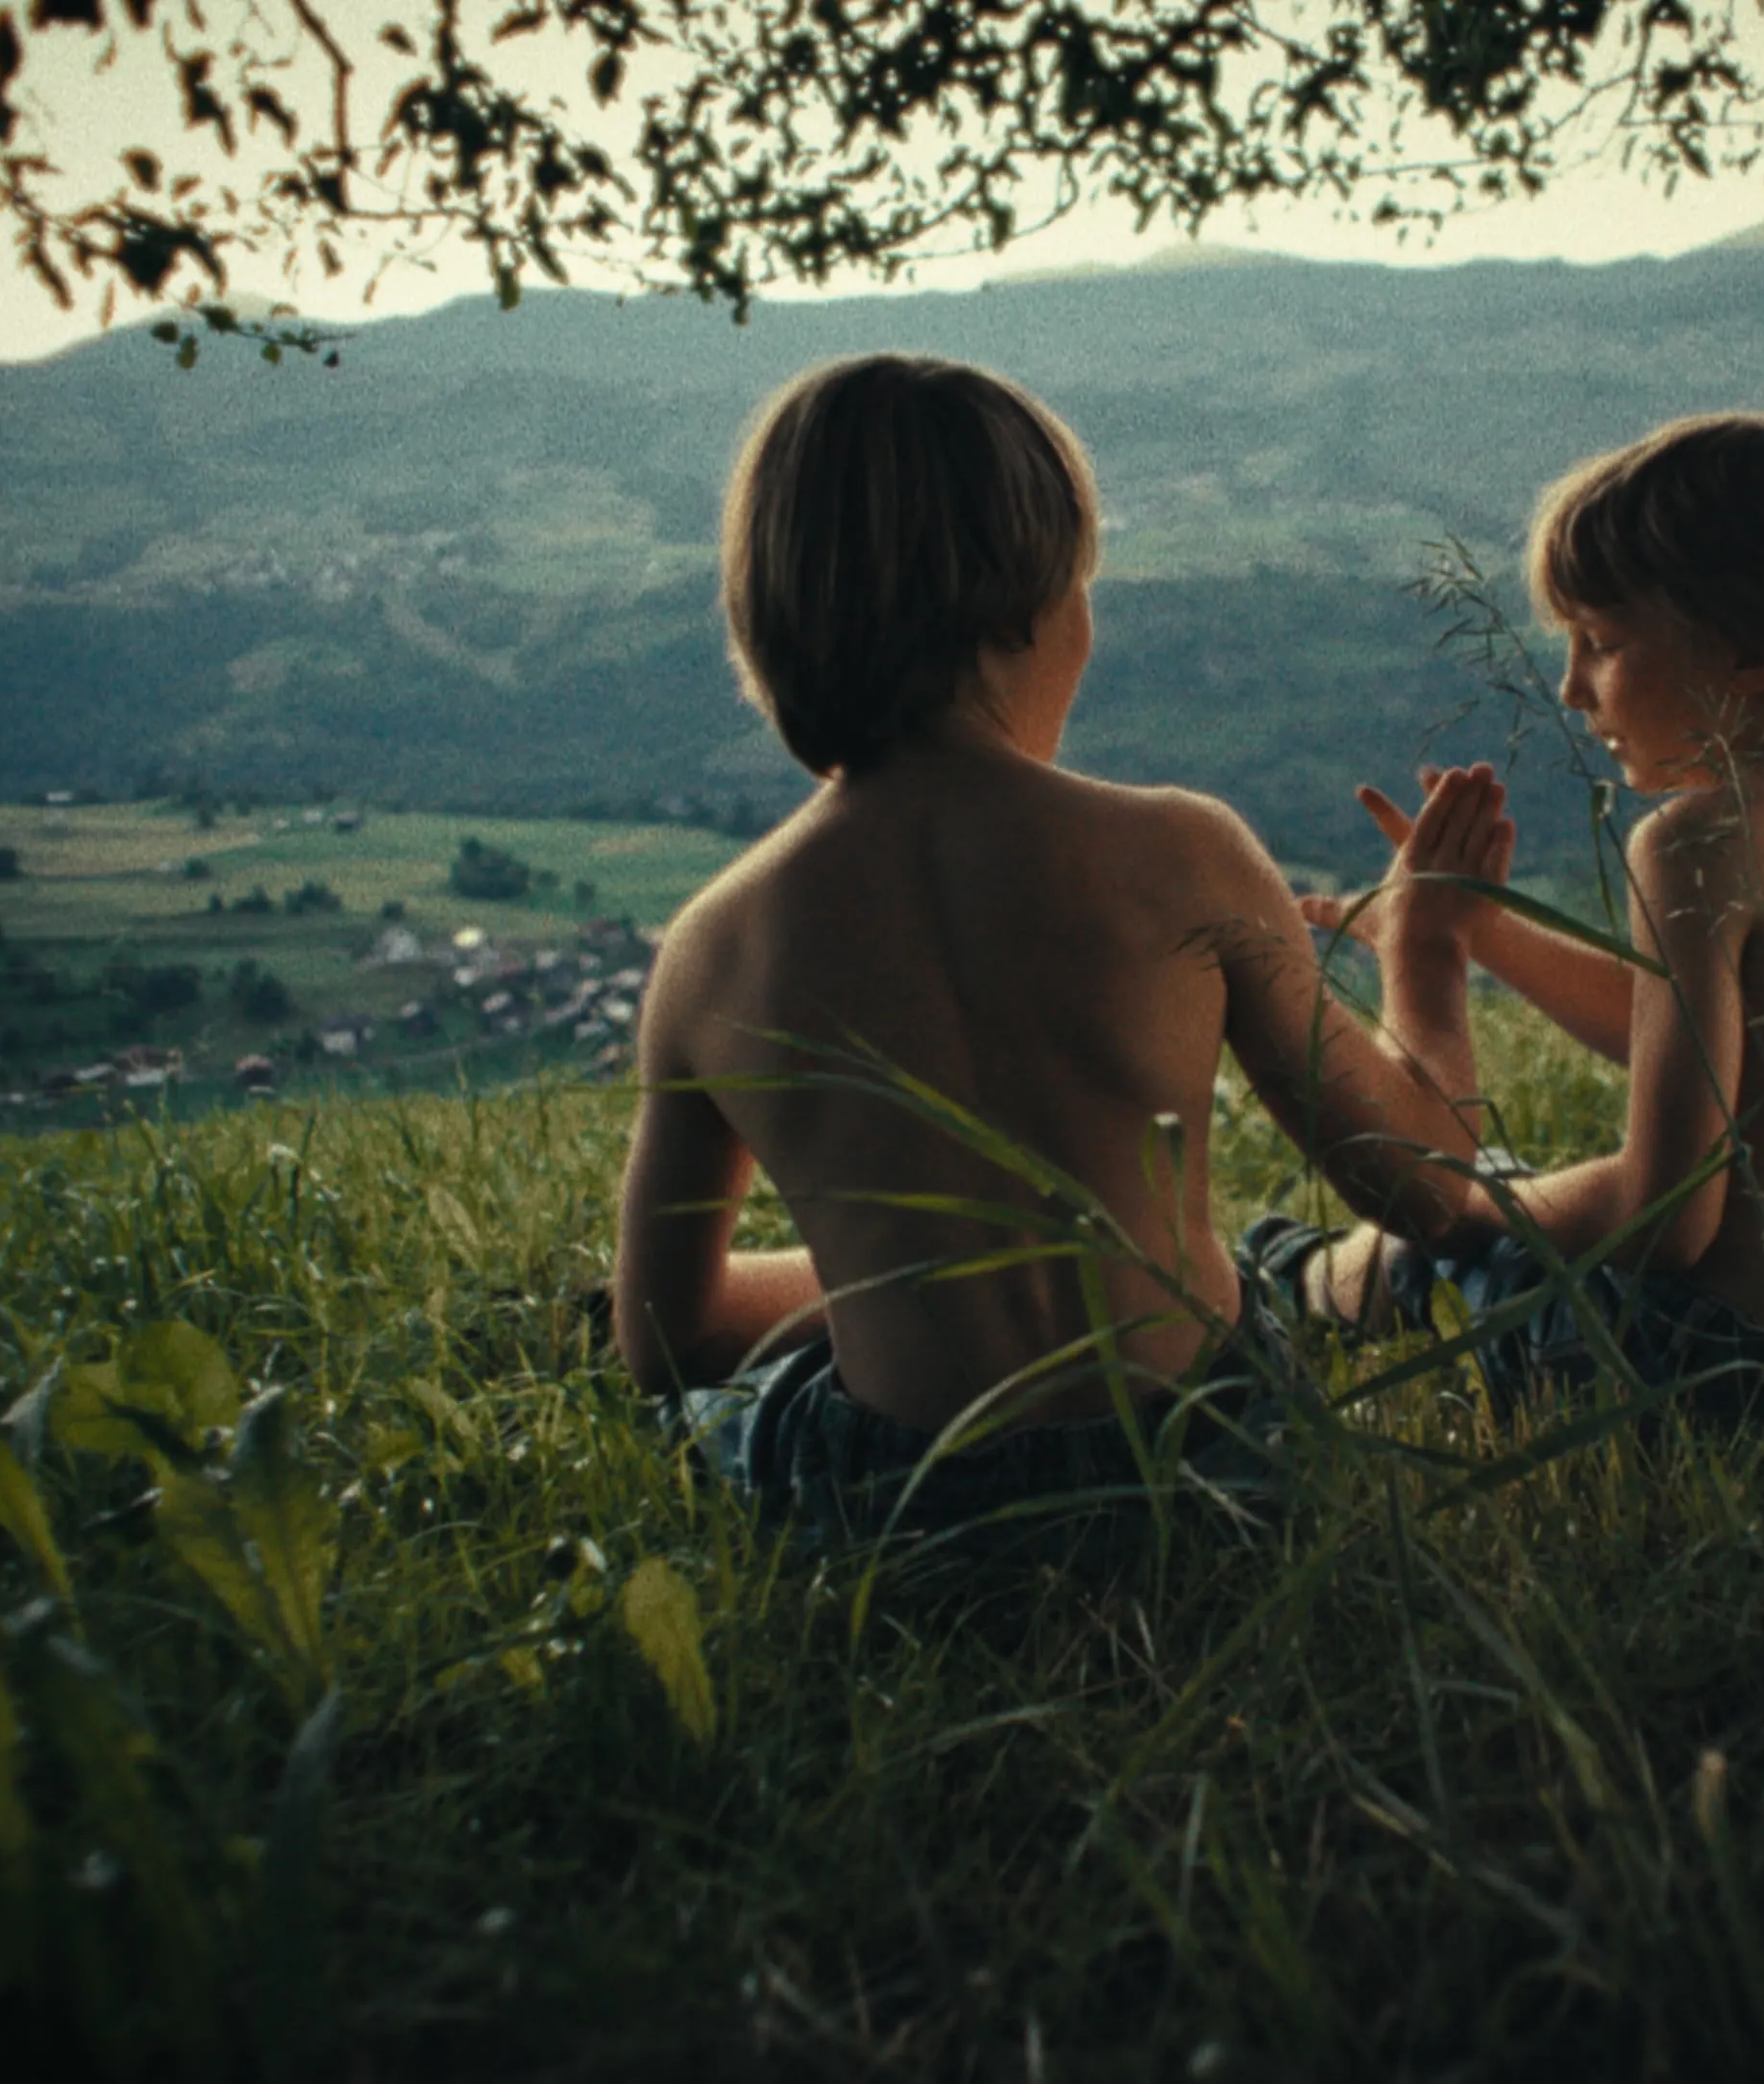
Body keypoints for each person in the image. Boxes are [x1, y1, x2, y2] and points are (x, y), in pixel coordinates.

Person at [610, 353, 1497, 1545]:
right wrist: (1429, 950)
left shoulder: (714, 945)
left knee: (721, 1424)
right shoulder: (1184, 852)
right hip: (1208, 1473)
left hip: (905, 1518)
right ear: (1030, 608)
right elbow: (1435, 1196)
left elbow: (667, 1342)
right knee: (1255, 1266)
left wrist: (916, 1272)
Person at [1260, 410, 1764, 1430]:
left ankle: (1285, 1285)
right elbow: (1707, 1041)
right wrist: (1490, 928)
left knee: (1472, 1216)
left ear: (1750, 654)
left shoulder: (1698, 838)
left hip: (1733, 1381)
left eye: (1602, 645)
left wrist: (1464, 1203)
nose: (1571, 689)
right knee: (1509, 1202)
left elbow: (1665, 1219)